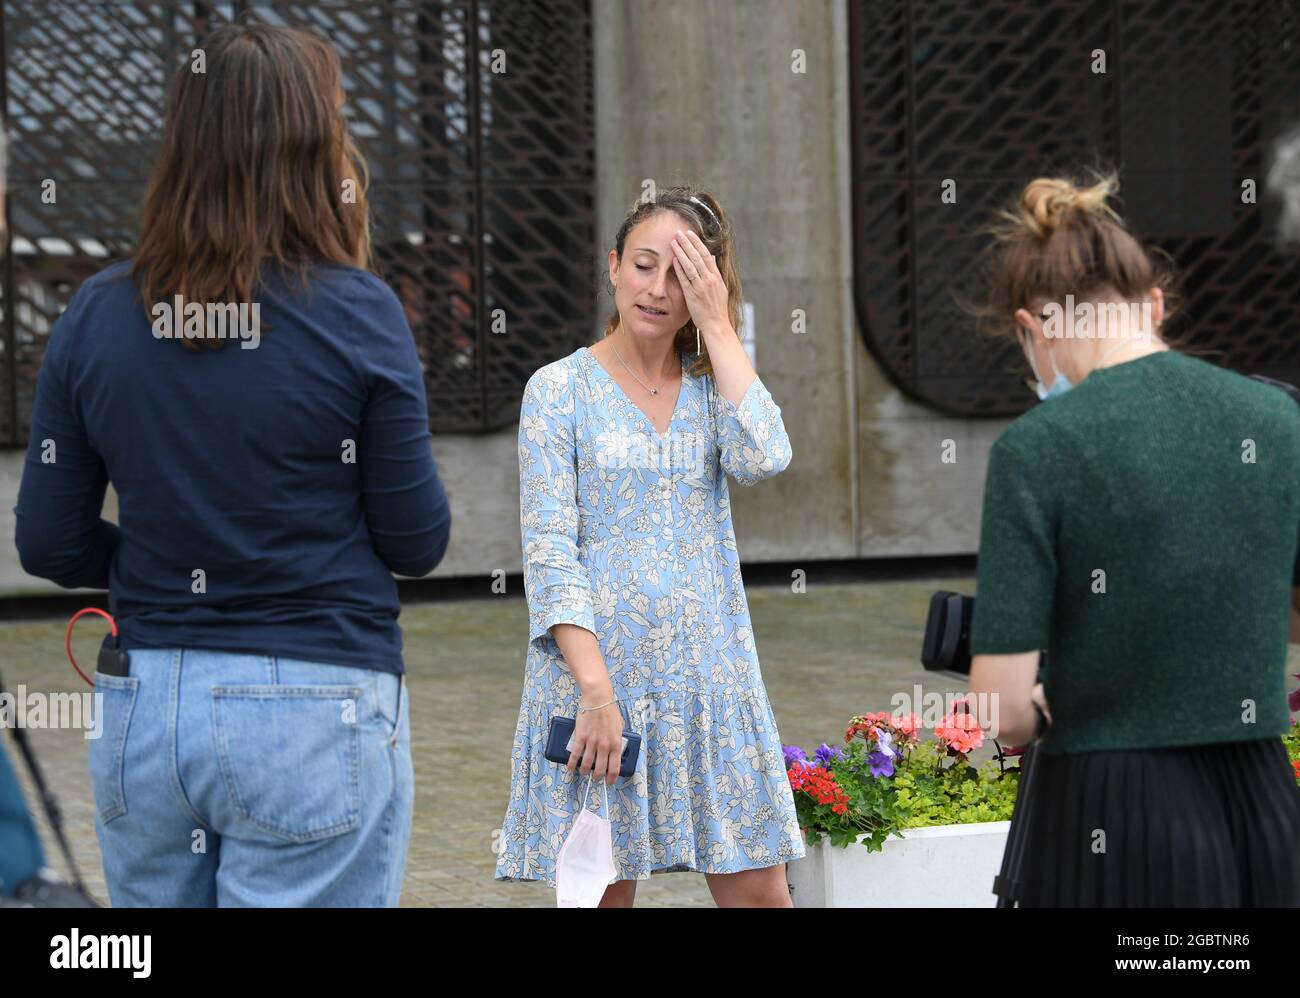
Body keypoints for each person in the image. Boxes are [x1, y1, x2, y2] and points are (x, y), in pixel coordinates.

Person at [12, 24, 451, 907]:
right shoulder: (361, 312)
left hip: (145, 709)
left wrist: (156, 565)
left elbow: (49, 542)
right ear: (314, 150)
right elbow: (416, 538)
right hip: (313, 706)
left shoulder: (94, 314)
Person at [969, 173, 1300, 906]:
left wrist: (1047, 702)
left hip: (1113, 819)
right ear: (1154, 304)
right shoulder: (1277, 420)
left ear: (1036, 327)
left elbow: (1002, 707)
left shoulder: (1039, 447)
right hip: (1268, 812)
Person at [494, 186, 803, 906]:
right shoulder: (557, 391)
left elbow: (766, 455)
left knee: (762, 895)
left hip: (711, 687)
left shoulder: (710, 386)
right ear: (612, 266)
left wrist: (720, 329)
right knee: (604, 897)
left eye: (681, 275)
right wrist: (596, 692)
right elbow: (549, 552)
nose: (657, 290)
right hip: (601, 686)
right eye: (643, 266)